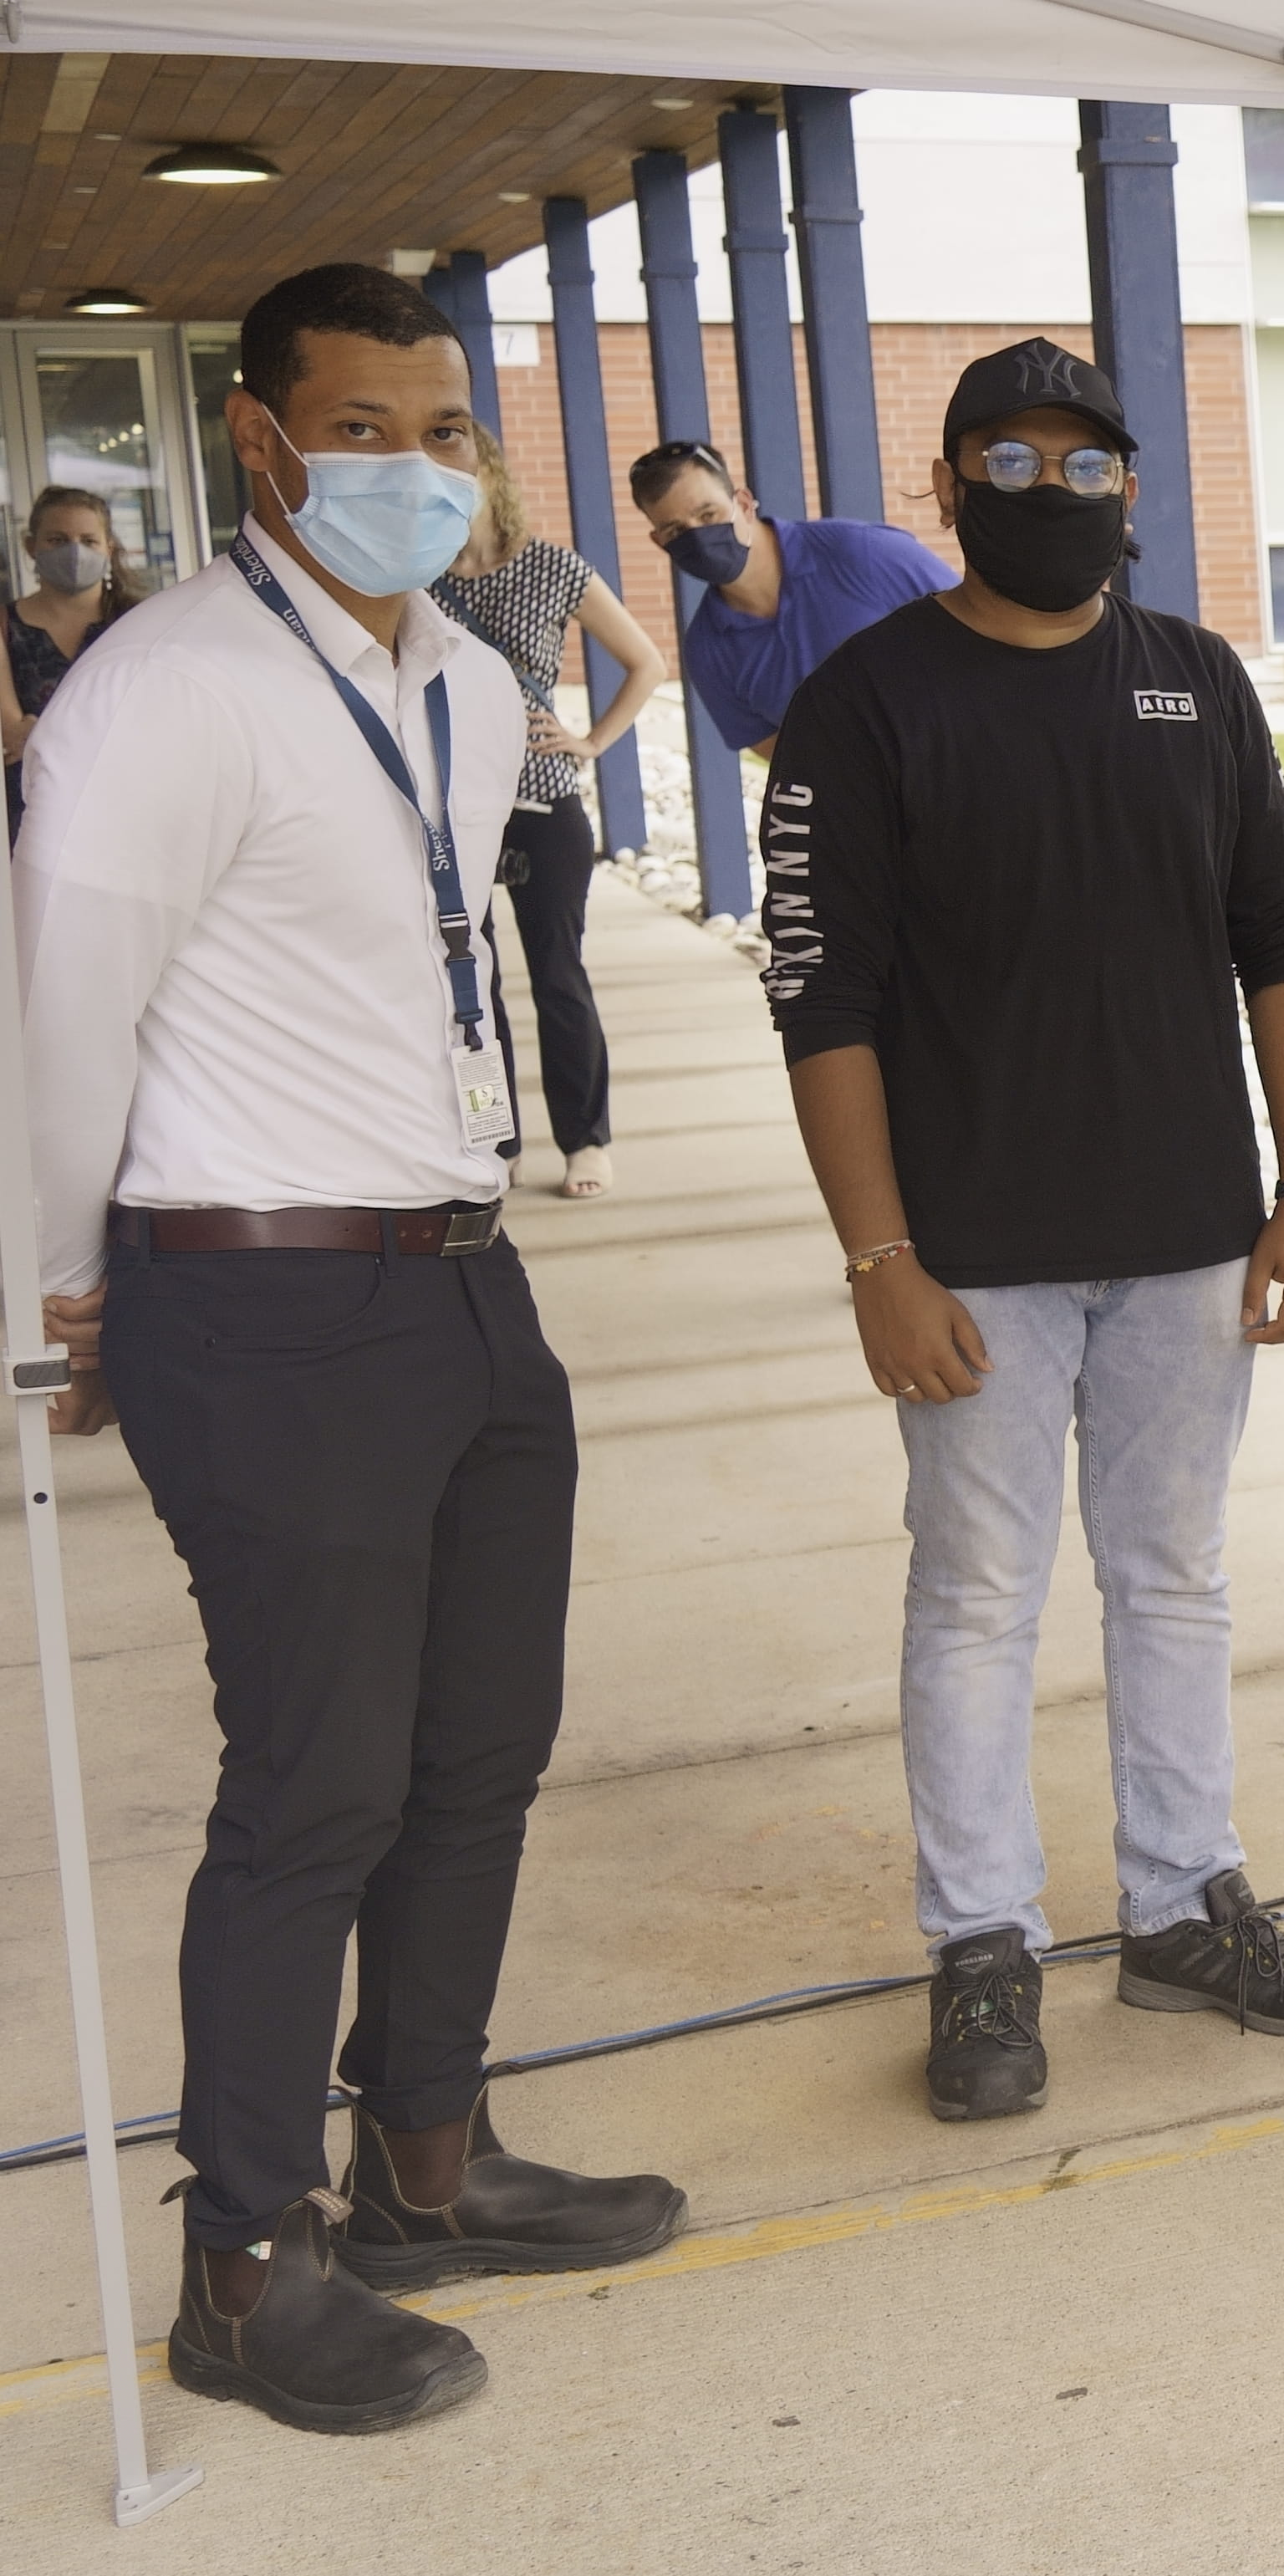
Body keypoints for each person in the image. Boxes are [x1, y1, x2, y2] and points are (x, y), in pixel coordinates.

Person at [17, 262, 685, 2436]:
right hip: (258, 1289)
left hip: (463, 1270)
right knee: (316, 1785)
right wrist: (57, 1295)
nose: (413, 466)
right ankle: (244, 2260)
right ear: (262, 440)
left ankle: (427, 2159)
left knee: (480, 1748)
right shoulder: (165, 691)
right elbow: (66, 1019)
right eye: (363, 428)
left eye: (444, 428)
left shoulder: (471, 687)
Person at [761, 337, 1284, 2124]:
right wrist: (881, 1260)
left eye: (1083, 463)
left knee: (1173, 1575)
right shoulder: (867, 701)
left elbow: (1280, 940)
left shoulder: (1195, 679)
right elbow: (820, 998)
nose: (1051, 492)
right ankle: (981, 1944)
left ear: (1130, 486)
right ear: (948, 486)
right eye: (1009, 464)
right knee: (976, 1595)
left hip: (1186, 1234)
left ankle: (1183, 1904)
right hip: (970, 1257)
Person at [430, 426, 670, 1199]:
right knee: (468, 991)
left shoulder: (552, 566)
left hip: (542, 797)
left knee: (558, 977)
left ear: (490, 477)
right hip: (450, 806)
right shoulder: (411, 578)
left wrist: (591, 740)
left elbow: (646, 661)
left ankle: (585, 1139)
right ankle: (491, 1138)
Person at [633, 434, 955, 760]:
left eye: (708, 515)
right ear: (660, 542)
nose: (699, 537)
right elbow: (778, 751)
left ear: (743, 504)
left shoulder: (861, 552)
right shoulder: (707, 650)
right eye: (676, 531)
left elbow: (972, 623)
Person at [6, 485, 139, 831]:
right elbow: (12, 735)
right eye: (57, 540)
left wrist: (42, 735)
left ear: (108, 549)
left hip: (128, 803)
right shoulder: (5, 626)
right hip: (33, 814)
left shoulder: (140, 620)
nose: (74, 552)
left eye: (88, 541)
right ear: (31, 547)